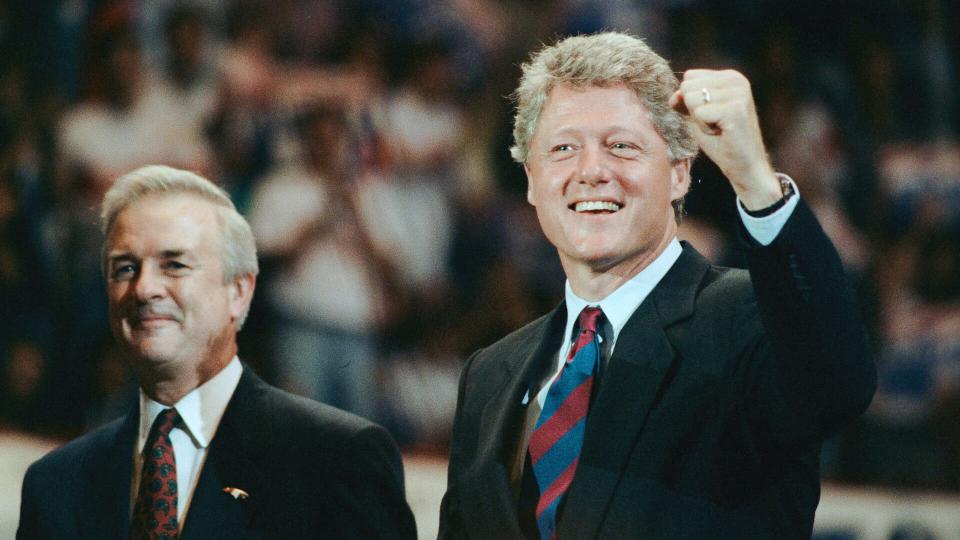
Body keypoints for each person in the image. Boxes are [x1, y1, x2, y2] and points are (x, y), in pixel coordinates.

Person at [439, 32, 876, 539]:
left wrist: (756, 181)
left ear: (679, 174)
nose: (592, 170)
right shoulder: (489, 375)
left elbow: (838, 383)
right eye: (563, 148)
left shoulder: (750, 321)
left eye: (621, 146)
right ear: (533, 179)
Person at [17, 165, 416, 539]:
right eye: (125, 268)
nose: (143, 289)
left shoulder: (337, 460)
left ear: (239, 292)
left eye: (174, 265)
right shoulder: (54, 483)